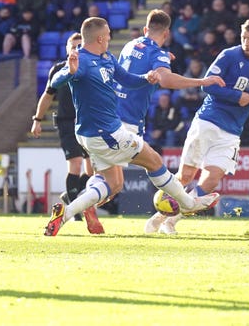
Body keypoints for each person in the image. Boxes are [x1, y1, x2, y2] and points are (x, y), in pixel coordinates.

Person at [43, 17, 220, 236]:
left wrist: (146, 77)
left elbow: (126, 79)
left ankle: (65, 214)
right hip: (106, 133)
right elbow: (56, 81)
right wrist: (68, 71)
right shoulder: (83, 61)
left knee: (113, 183)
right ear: (100, 38)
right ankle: (187, 203)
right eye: (108, 34)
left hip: (97, 133)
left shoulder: (106, 57)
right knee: (153, 161)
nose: (110, 37)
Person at [146, 17, 249, 234]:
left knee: (211, 181)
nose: (246, 42)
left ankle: (169, 220)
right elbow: (207, 86)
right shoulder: (229, 55)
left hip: (232, 131)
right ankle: (160, 217)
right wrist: (237, 96)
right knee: (185, 177)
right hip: (208, 120)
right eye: (244, 37)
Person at [32, 32, 104, 234]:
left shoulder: (90, 67)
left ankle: (70, 197)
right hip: (67, 123)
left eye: (80, 45)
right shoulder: (58, 70)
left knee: (92, 171)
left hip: (88, 123)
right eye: (73, 46)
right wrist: (37, 120)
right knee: (75, 163)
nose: (76, 49)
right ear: (66, 49)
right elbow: (47, 96)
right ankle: (75, 211)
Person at [116, 10, 224, 136]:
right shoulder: (157, 54)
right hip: (128, 120)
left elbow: (137, 65)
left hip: (111, 112)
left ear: (145, 30)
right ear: (166, 33)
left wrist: (161, 59)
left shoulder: (130, 44)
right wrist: (202, 81)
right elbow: (166, 80)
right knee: (152, 156)